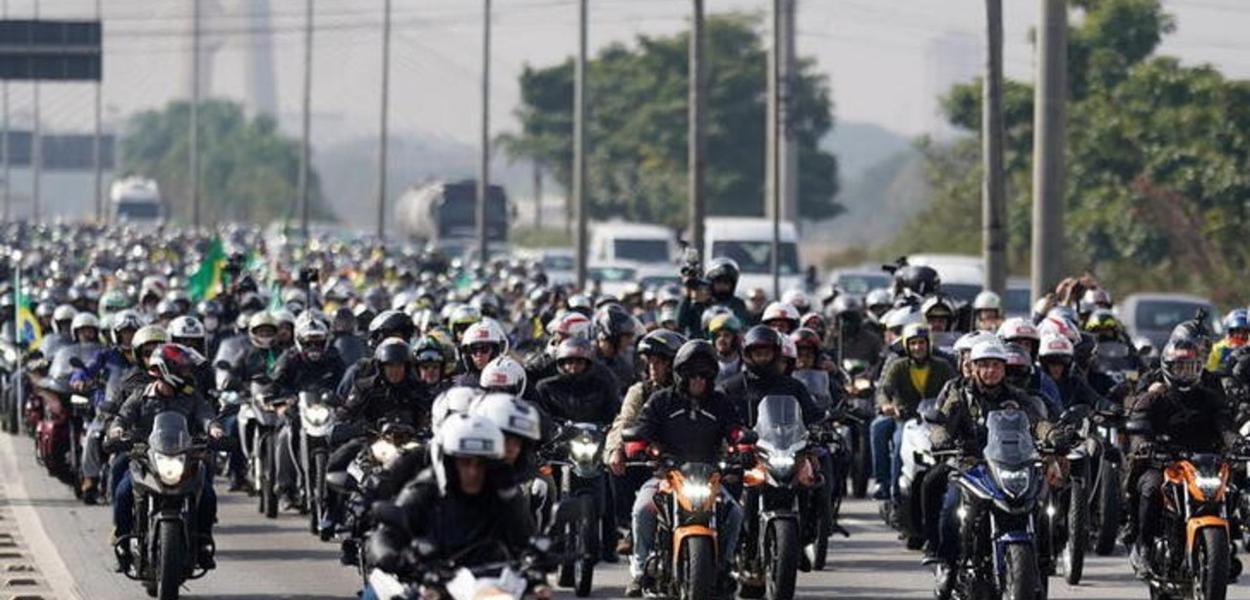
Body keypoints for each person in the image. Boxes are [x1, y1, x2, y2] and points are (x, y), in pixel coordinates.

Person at [924, 341, 1058, 592]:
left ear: (1003, 369)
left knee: (1043, 502)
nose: (990, 371)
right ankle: (948, 562)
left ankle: (1043, 559)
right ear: (973, 368)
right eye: (984, 365)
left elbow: (1037, 421)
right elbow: (942, 422)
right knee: (952, 508)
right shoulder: (960, 395)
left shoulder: (1016, 397)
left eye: (995, 365)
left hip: (1011, 463)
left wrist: (1051, 435)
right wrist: (940, 437)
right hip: (971, 465)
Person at [363, 414, 536, 600]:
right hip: (431, 582)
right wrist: (390, 554)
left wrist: (539, 562)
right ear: (449, 462)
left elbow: (526, 538)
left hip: (488, 583)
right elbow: (389, 532)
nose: (473, 472)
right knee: (378, 590)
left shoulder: (505, 495)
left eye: (481, 463)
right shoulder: (423, 492)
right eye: (465, 462)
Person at [627, 340, 744, 598]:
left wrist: (742, 442)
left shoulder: (720, 402)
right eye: (693, 374)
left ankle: (725, 565)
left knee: (735, 513)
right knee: (642, 510)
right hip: (666, 476)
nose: (699, 380)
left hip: (710, 477)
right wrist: (636, 445)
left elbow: (735, 428)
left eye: (705, 375)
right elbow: (642, 427)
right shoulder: (662, 400)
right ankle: (639, 569)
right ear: (680, 373)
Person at [1126, 338, 1242, 571]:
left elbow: (1225, 426)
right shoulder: (1154, 398)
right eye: (1180, 367)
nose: (1185, 373)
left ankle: (1227, 548)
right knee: (1151, 488)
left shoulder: (1210, 398)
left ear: (1199, 368)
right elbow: (1139, 424)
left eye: (1191, 367)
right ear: (1168, 367)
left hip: (1204, 464)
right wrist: (1144, 445)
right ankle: (1145, 546)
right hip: (1164, 463)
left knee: (1230, 490)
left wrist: (1238, 443)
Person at [109, 344, 223, 572]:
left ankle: (202, 544)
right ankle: (122, 542)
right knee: (123, 493)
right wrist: (117, 430)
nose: (187, 374)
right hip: (145, 458)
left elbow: (205, 414)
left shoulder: (191, 396)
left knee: (208, 495)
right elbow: (123, 416)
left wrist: (214, 428)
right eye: (182, 370)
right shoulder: (142, 395)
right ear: (166, 370)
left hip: (184, 457)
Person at [872, 323, 956, 500]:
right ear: (907, 346)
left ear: (929, 344)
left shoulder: (943, 366)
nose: (918, 347)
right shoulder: (898, 366)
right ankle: (892, 491)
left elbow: (954, 391)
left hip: (935, 420)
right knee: (897, 444)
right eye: (913, 343)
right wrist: (886, 405)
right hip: (906, 419)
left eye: (921, 343)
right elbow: (884, 390)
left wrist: (950, 408)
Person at [269, 318, 347, 509]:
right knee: (285, 434)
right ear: (299, 342)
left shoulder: (334, 357)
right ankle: (285, 489)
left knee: (346, 436)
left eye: (318, 342)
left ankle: (342, 489)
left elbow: (345, 385)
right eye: (308, 342)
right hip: (296, 410)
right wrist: (283, 399)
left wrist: (342, 400)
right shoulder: (289, 358)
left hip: (327, 410)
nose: (314, 347)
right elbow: (275, 384)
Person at [718, 325, 823, 428]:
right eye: (758, 354)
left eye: (767, 353)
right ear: (748, 355)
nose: (763, 358)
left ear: (776, 354)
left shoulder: (793, 386)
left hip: (788, 444)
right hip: (748, 444)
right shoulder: (731, 388)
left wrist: (829, 417)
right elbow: (719, 422)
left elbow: (813, 417)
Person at [1208, 309, 1250, 373]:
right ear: (1230, 331)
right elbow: (1209, 370)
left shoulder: (1248, 348)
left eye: (1245, 332)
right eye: (1237, 331)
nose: (1241, 336)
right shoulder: (1219, 348)